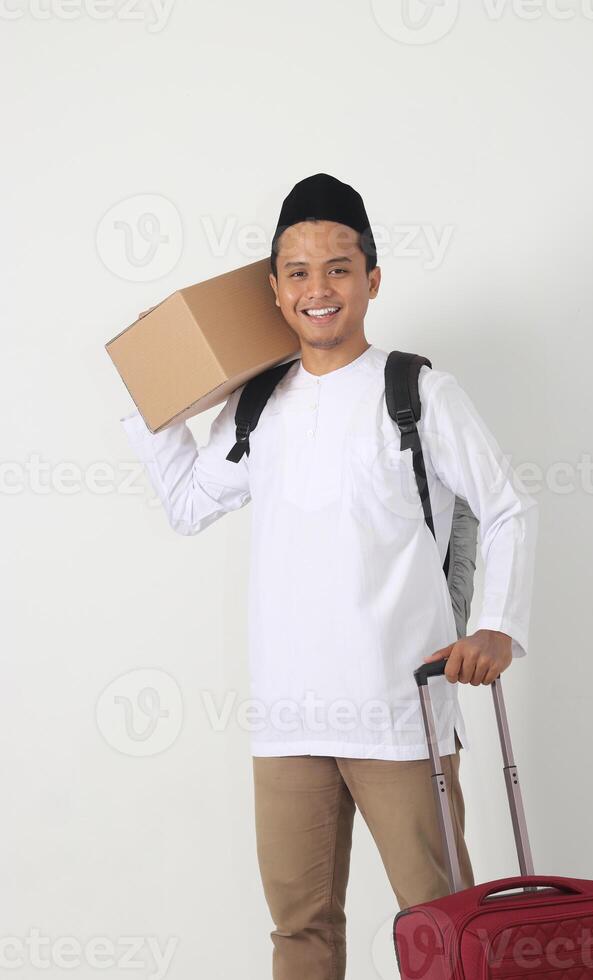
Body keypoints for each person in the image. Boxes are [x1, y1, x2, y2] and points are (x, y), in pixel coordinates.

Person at [119, 173, 538, 980]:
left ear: (372, 280)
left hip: (400, 715)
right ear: (274, 290)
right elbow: (186, 504)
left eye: (339, 269)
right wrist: (152, 382)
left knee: (442, 927)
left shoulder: (417, 391)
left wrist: (497, 625)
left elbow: (508, 505)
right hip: (288, 722)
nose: (320, 289)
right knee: (299, 933)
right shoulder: (259, 406)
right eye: (300, 272)